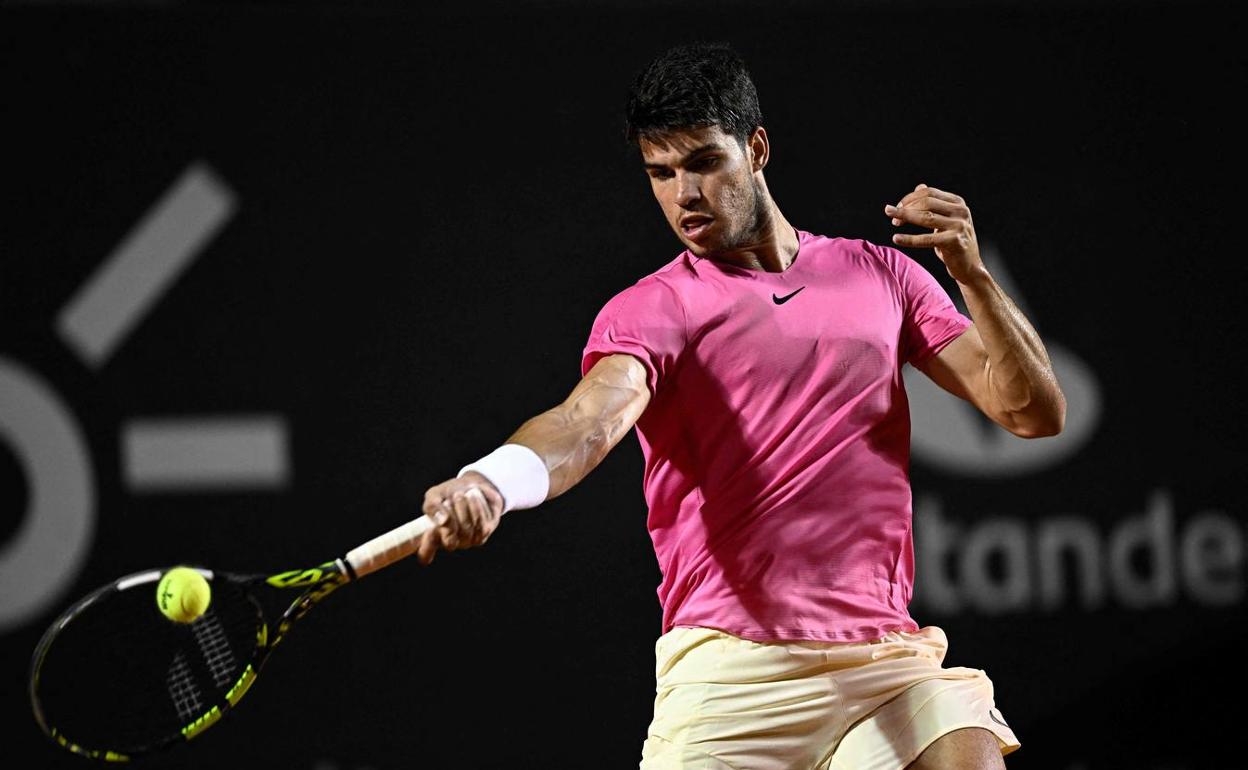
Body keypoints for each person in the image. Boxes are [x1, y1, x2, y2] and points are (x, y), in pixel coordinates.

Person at [413, 41, 1065, 770]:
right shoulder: (655, 309)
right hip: (730, 673)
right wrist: (493, 481)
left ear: (756, 149)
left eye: (702, 163)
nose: (682, 195)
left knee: (967, 747)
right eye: (660, 173)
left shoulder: (883, 276)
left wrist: (972, 276)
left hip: (884, 662)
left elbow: (1032, 412)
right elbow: (585, 421)